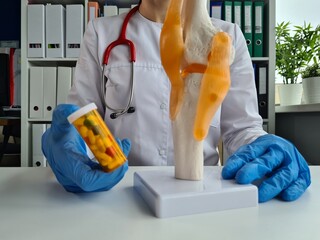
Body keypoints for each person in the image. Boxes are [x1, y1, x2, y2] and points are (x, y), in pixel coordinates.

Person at [42, 0, 311, 202]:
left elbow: (242, 129)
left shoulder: (227, 37)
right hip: (121, 192)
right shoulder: (101, 32)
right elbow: (81, 120)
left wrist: (264, 147)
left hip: (200, 194)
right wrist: (68, 147)